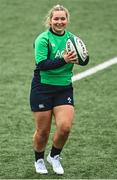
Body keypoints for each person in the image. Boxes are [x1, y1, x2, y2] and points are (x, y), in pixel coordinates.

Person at [30, 4, 89, 175]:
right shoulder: (43, 39)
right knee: (43, 131)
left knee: (65, 127)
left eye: (63, 18)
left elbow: (84, 59)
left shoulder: (72, 39)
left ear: (67, 20)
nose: (59, 21)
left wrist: (82, 56)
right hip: (42, 89)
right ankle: (39, 159)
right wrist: (64, 59)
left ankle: (54, 156)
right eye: (56, 18)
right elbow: (42, 64)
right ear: (50, 20)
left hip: (63, 88)